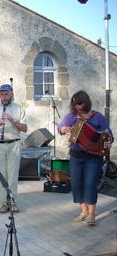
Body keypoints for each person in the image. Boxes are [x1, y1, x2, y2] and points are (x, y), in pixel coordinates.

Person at [58, 90, 113, 226]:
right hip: (76, 155)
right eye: (74, 104)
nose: (77, 106)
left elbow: (108, 134)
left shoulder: (97, 117)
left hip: (93, 156)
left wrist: (107, 140)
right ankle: (83, 211)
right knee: (76, 184)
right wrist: (64, 129)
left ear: (86, 102)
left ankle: (91, 214)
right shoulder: (71, 117)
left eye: (79, 103)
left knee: (90, 183)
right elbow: (60, 127)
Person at [0, 84, 27, 213]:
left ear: (12, 94)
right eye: (2, 94)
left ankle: (13, 202)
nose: (4, 97)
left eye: (7, 94)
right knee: (1, 175)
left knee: (13, 175)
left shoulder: (19, 109)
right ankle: (4, 202)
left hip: (14, 144)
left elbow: (24, 129)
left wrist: (13, 121)